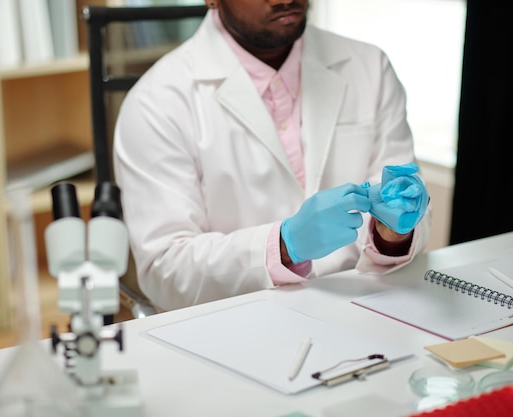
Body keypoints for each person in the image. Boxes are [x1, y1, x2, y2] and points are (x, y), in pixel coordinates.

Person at [113, 0, 432, 312]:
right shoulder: (155, 102)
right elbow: (165, 271)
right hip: (236, 321)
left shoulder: (370, 67)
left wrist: (394, 232)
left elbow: (401, 218)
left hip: (363, 306)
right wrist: (284, 243)